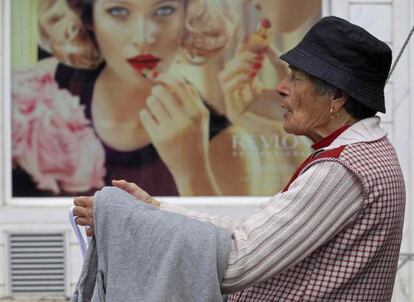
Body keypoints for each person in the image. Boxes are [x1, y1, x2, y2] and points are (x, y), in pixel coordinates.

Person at [73, 16, 406, 301]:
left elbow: (235, 262)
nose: (280, 87)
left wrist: (133, 220)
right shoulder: (358, 155)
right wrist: (153, 209)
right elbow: (247, 237)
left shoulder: (343, 170)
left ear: (336, 96)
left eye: (296, 77)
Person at [11, 0, 261, 197]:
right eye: (118, 10)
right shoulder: (39, 88)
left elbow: (227, 252)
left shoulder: (224, 142)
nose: (143, 37)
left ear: (188, 18)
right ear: (88, 19)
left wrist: (191, 169)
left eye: (164, 10)